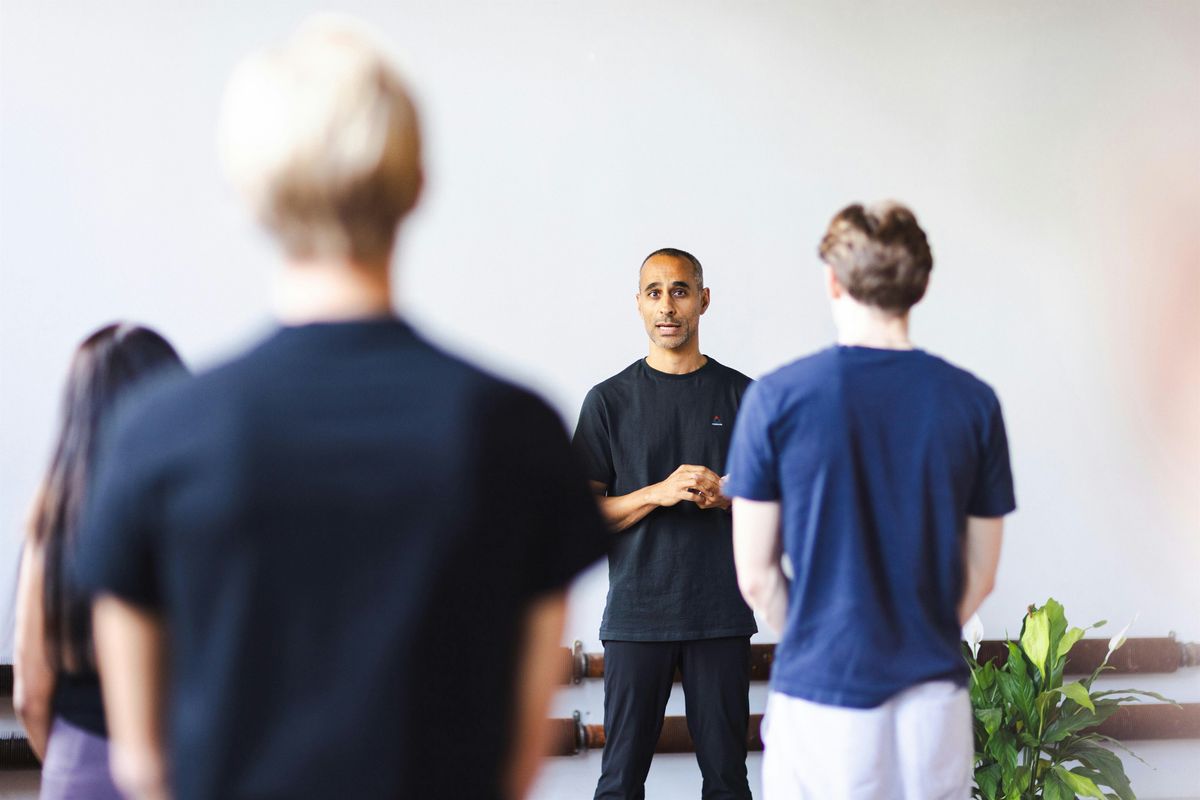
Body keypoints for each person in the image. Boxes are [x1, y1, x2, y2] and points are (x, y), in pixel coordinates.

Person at [75, 17, 608, 800]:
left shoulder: (160, 434)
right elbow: (519, 753)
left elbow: (144, 762)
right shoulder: (513, 430)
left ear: (249, 195)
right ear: (417, 185)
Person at [727, 202, 1015, 799]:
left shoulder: (777, 399)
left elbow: (756, 577)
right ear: (921, 286)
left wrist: (817, 639)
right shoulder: (973, 402)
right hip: (932, 699)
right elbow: (982, 572)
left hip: (819, 698)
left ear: (833, 281)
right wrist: (918, 635)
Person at [574, 248, 756, 800]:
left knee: (728, 781)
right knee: (620, 781)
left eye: (680, 291)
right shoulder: (607, 401)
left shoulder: (745, 397)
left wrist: (728, 497)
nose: (667, 306)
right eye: (654, 293)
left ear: (703, 300)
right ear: (639, 304)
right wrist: (657, 492)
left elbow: (785, 506)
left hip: (720, 614)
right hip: (636, 616)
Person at [13, 323, 186, 800]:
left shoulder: (52, 515)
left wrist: (71, 765)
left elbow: (30, 693)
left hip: (81, 765)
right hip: (189, 760)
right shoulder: (197, 503)